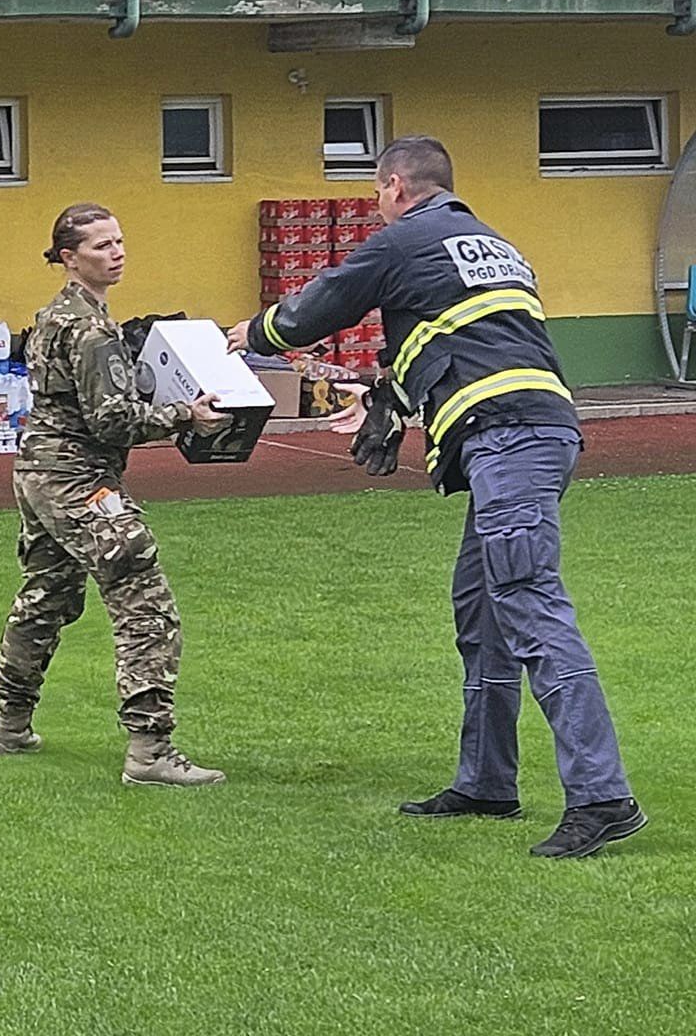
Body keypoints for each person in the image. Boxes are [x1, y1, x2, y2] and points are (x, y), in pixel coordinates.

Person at [228, 136, 645, 858]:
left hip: (507, 440)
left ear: (395, 185)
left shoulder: (406, 238)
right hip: (534, 430)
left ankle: (602, 795)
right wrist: (391, 395)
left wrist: (254, 334)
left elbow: (318, 307)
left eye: (376, 193)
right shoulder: (494, 245)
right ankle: (487, 782)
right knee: (483, 612)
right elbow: (462, 336)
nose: (375, 205)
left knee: (534, 611)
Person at [0, 204, 228, 786]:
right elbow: (113, 422)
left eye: (119, 241)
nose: (116, 253)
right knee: (144, 600)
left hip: (39, 473)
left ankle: (10, 723)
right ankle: (150, 750)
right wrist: (184, 415)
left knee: (46, 596)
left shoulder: (53, 316)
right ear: (69, 258)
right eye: (101, 246)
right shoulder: (91, 328)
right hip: (79, 482)